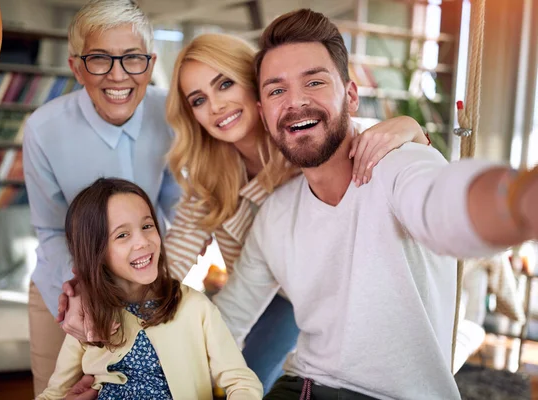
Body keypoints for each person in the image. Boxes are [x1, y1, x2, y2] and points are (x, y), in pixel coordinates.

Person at [211, 8, 538, 400]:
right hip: (303, 387)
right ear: (264, 115)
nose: (295, 102)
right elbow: (228, 318)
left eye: (314, 82)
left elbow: (444, 205)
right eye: (277, 90)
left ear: (350, 95)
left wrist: (517, 201)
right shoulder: (277, 214)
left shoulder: (401, 164)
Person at [163, 33, 431, 392]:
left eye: (224, 84)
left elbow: (360, 139)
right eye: (199, 99)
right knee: (202, 371)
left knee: (256, 374)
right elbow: (171, 262)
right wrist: (116, 310)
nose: (215, 106)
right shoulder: (209, 175)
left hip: (314, 298)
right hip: (253, 292)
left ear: (257, 85)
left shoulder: (307, 144)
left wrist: (412, 128)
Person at [22, 0, 181, 395]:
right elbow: (49, 228)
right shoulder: (44, 128)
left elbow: (177, 209)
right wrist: (79, 290)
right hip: (66, 286)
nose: (118, 75)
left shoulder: (174, 116)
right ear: (77, 67)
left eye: (132, 59)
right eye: (99, 59)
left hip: (148, 286)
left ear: (150, 63)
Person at [36, 178, 262, 399]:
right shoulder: (87, 318)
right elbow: (54, 393)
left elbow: (241, 381)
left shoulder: (195, 307)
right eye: (122, 235)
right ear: (96, 251)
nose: (143, 241)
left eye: (147, 226)